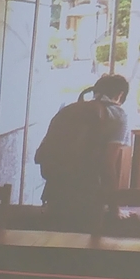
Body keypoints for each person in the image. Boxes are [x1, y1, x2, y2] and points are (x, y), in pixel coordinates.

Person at [34, 74, 130, 230]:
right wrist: (115, 208)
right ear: (120, 95)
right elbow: (107, 165)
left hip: (54, 193)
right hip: (87, 197)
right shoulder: (117, 115)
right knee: (85, 242)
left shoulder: (69, 109)